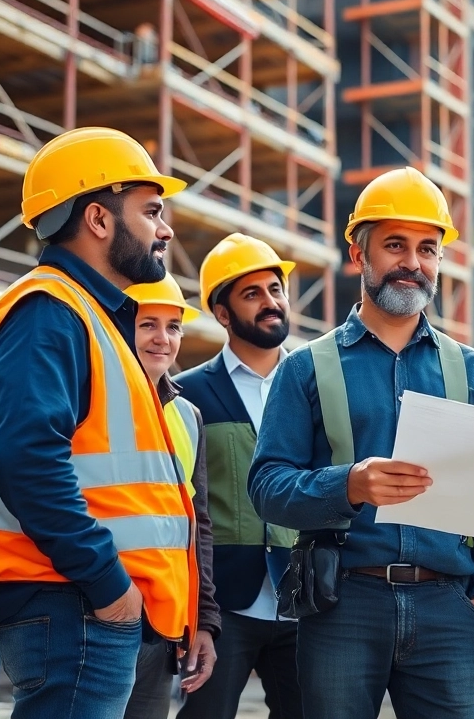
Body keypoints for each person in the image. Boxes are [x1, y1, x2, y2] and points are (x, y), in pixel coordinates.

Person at [0, 127, 198, 719]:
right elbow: (28, 463)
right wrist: (110, 588)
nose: (165, 229)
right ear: (98, 219)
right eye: (151, 211)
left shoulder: (82, 314)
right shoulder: (48, 312)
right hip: (73, 599)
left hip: (77, 598)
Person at [248, 167, 474, 719]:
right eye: (395, 245)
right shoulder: (305, 369)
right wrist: (351, 485)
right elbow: (267, 488)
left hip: (448, 610)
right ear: (359, 253)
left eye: (428, 249)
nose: (413, 263)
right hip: (343, 604)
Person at [175, 234, 304, 719]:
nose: (271, 302)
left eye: (276, 289)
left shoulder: (314, 383)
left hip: (303, 597)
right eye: (252, 294)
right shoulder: (188, 395)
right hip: (223, 606)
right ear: (222, 313)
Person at [122, 275, 222, 718]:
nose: (163, 339)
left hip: (160, 621)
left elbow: (196, 522)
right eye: (148, 325)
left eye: (174, 326)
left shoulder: (187, 415)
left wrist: (203, 620)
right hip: (96, 611)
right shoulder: (89, 398)